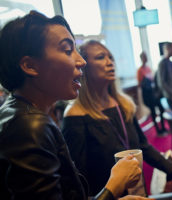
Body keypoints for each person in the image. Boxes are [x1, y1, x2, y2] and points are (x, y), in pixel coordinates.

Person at [0, 11, 149, 200]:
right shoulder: (30, 127)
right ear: (30, 66)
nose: (82, 61)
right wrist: (114, 186)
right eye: (68, 50)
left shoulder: (22, 113)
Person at [62, 40, 172, 196]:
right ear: (83, 65)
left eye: (111, 57)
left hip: (137, 192)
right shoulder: (74, 116)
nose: (109, 62)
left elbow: (143, 146)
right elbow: (77, 181)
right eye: (100, 57)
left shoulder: (123, 104)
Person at [137, 51, 167, 135]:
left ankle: (163, 127)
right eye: (144, 57)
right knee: (153, 112)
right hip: (147, 94)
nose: (145, 59)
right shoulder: (140, 70)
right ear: (141, 58)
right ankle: (158, 130)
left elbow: (153, 80)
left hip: (153, 93)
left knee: (161, 109)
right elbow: (140, 84)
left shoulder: (148, 68)